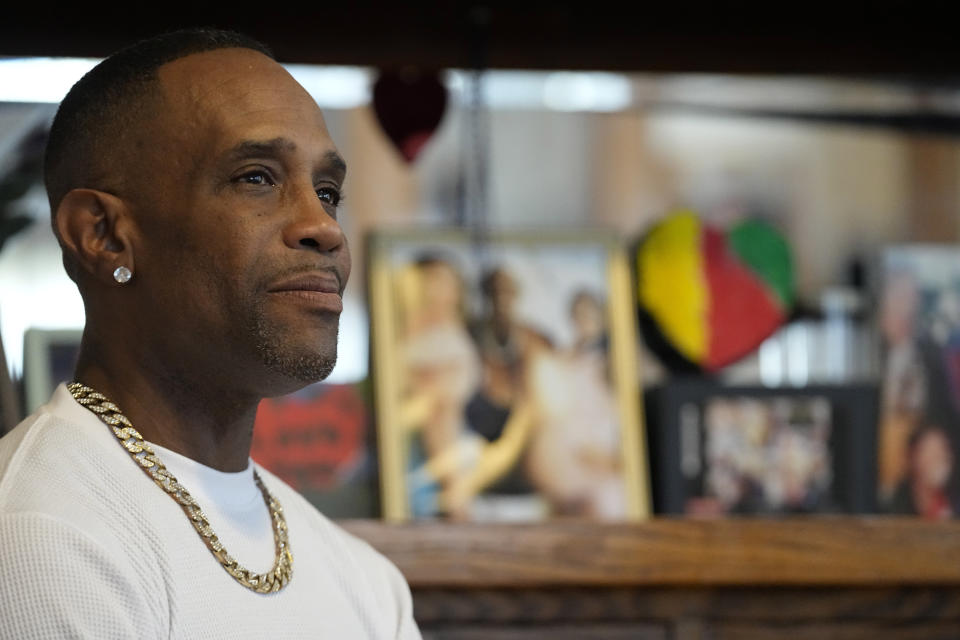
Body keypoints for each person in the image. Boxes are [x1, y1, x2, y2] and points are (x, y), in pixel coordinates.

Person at [0, 29, 421, 638]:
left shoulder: (368, 582)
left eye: (327, 193)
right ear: (103, 234)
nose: (323, 228)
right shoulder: (43, 534)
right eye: (256, 178)